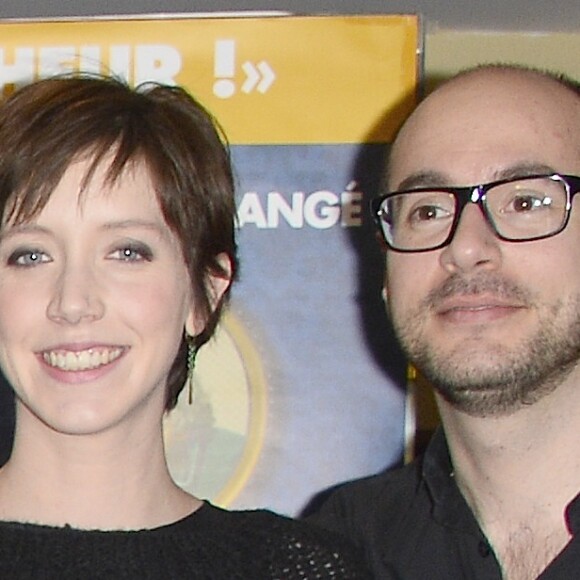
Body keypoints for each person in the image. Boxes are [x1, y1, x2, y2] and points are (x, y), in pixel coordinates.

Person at [0, 74, 369, 579]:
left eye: (127, 252)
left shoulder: (296, 569)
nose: (73, 301)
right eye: (31, 254)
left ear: (205, 294)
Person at [309, 64, 580, 579]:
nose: (466, 248)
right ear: (387, 279)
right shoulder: (338, 551)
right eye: (427, 211)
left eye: (525, 201)